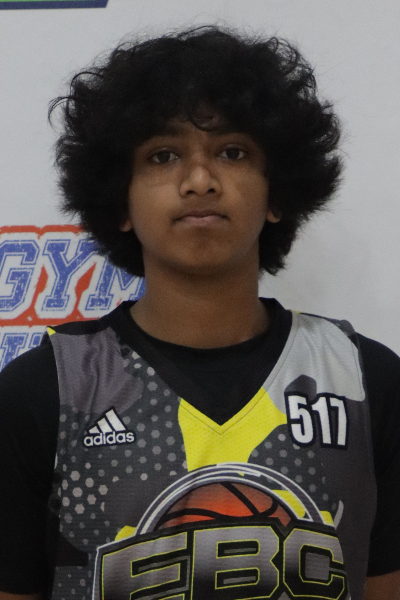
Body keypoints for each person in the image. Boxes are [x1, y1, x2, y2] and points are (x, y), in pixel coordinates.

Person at [0, 25, 399, 600]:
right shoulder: (45, 391)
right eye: (163, 155)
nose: (199, 181)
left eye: (232, 152)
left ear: (277, 193)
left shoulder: (367, 382)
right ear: (120, 202)